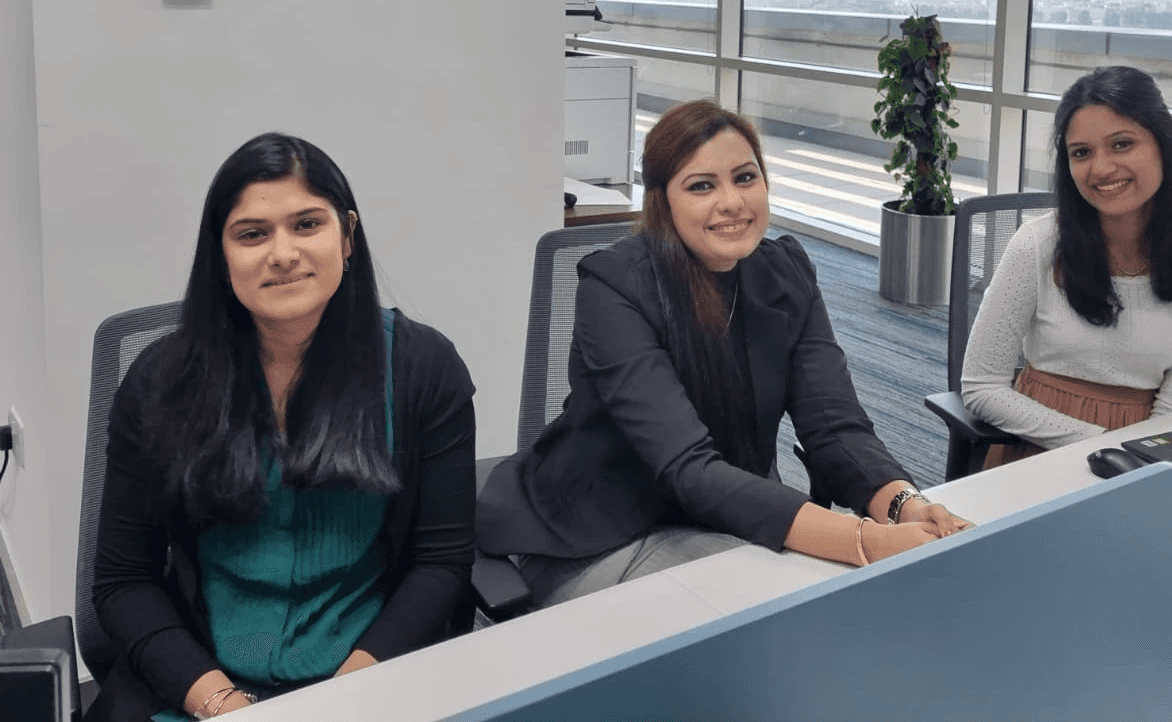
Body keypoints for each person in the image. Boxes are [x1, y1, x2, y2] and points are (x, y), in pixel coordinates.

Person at [477, 99, 973, 609]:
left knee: (842, 600)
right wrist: (865, 541)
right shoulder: (615, 287)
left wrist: (902, 505)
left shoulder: (785, 275)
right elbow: (687, 466)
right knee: (804, 608)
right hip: (599, 535)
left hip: (726, 515)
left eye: (745, 177)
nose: (733, 201)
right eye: (701, 186)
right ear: (662, 202)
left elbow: (835, 426)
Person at [88, 133, 477, 721]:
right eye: (252, 234)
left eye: (307, 224)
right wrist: (226, 707)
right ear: (221, 257)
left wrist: (350, 700)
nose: (283, 253)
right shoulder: (159, 381)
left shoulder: (425, 369)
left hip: (367, 683)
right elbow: (123, 580)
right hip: (201, 690)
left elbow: (440, 563)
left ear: (347, 236)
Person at [961, 66, 1172, 467]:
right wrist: (1098, 445)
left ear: (1163, 145)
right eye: (1081, 153)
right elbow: (981, 385)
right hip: (1036, 447)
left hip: (1145, 456)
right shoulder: (1038, 245)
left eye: (1122, 144)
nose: (1100, 169)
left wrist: (1133, 460)